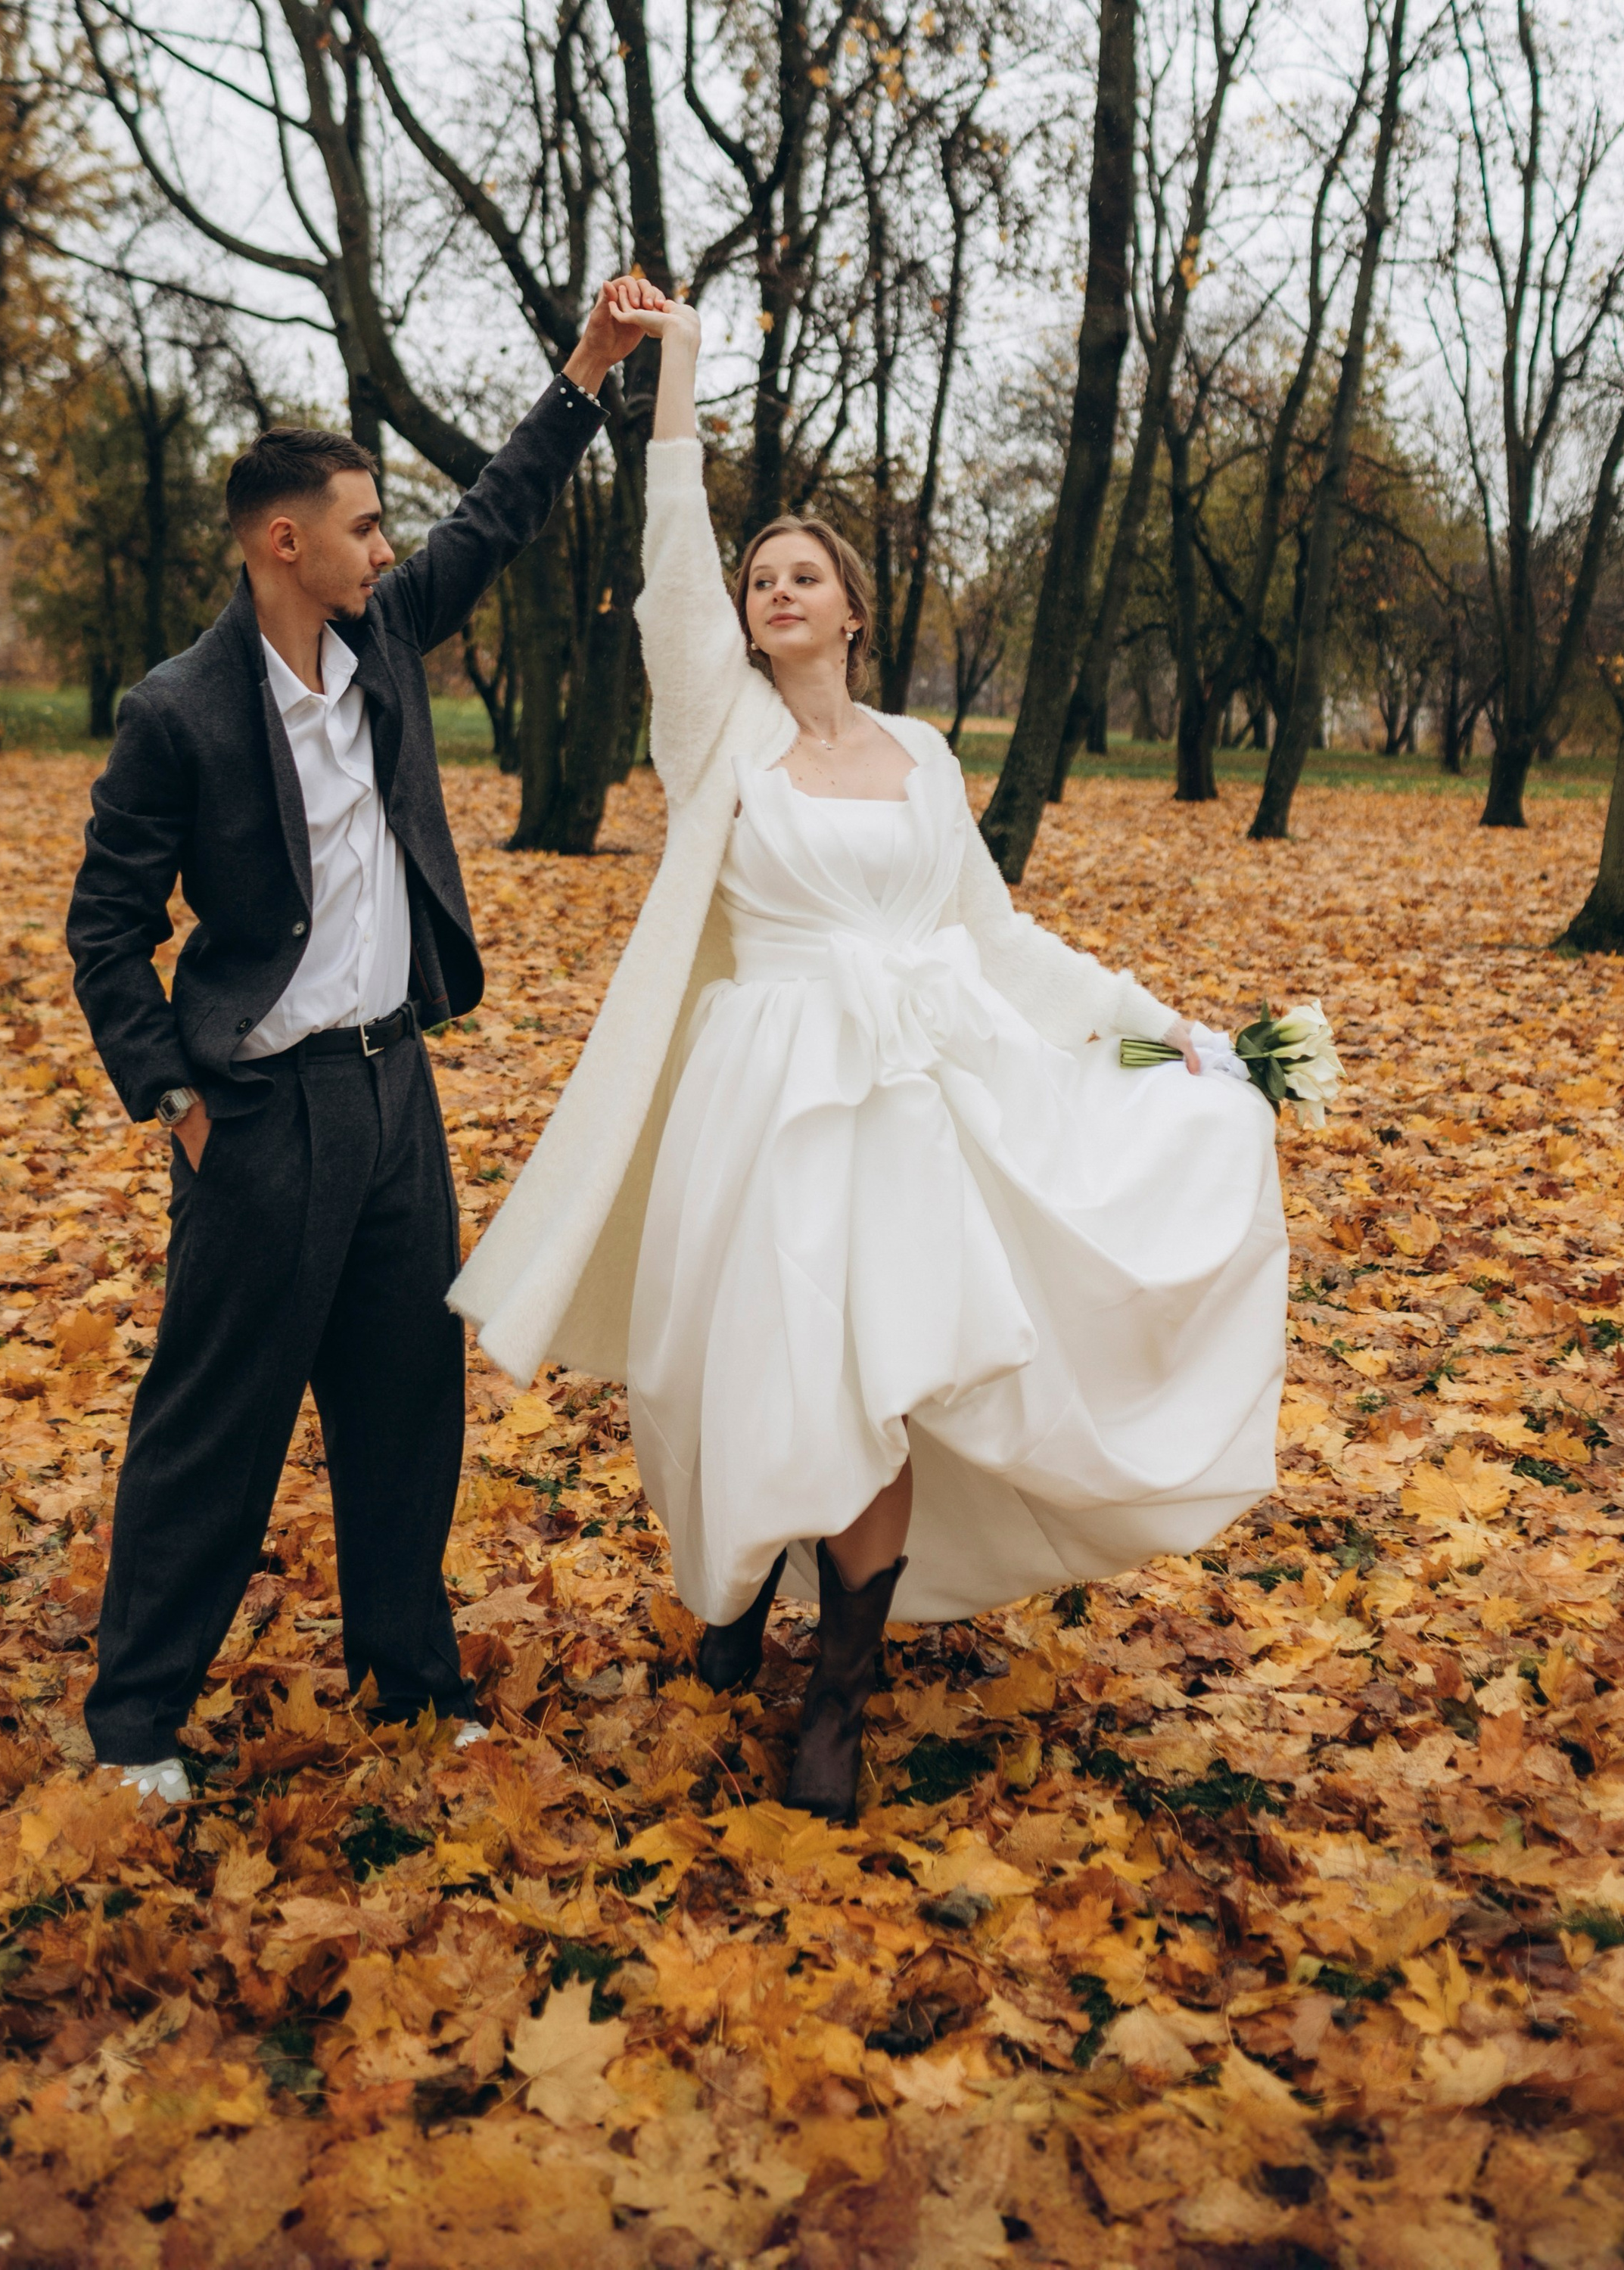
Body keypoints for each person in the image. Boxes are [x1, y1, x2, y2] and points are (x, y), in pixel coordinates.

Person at [452, 292, 1288, 1824]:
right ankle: (729, 1588)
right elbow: (668, 577)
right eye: (758, 577)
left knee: (880, 1380)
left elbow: (999, 944)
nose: (772, 590)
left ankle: (834, 1695)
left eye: (800, 576)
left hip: (918, 1100)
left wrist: (1164, 1032)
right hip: (767, 1094)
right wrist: (679, 376)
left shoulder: (914, 756)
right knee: (741, 1372)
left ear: (848, 610)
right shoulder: (720, 739)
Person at [66, 285, 651, 1802]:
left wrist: (585, 376)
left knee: (407, 1406)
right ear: (285, 542)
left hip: (398, 1095)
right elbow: (103, 933)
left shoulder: (382, 636)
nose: (386, 545)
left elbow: (498, 518)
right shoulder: (177, 714)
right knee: (216, 1423)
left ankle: (410, 1686)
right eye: (364, 523)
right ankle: (134, 1724)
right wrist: (176, 1099)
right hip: (260, 1118)